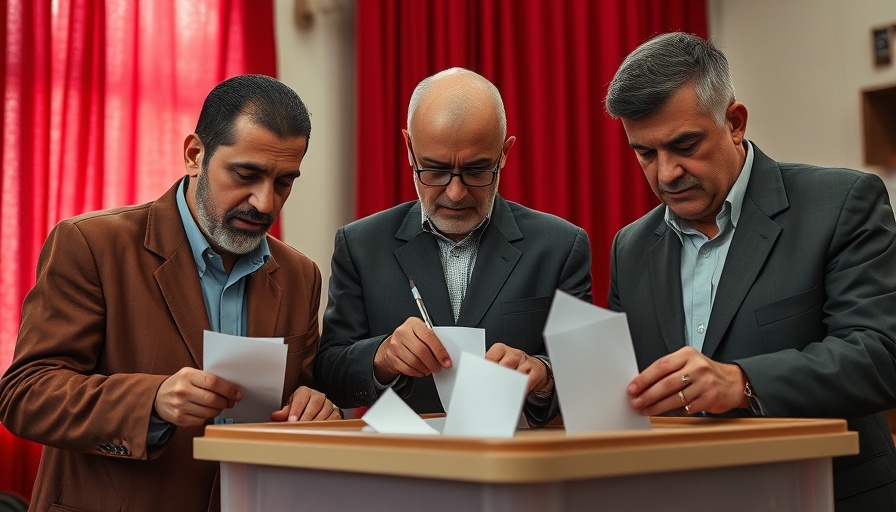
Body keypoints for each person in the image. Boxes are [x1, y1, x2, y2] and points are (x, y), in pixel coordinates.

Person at [0, 74, 339, 512]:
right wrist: (153, 400)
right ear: (195, 155)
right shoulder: (90, 245)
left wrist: (314, 407)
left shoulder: (300, 276)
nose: (266, 202)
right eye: (247, 174)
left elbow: (301, 395)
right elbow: (25, 394)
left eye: (283, 182)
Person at [605, 32, 896, 510]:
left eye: (685, 145)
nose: (666, 173)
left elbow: (880, 355)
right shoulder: (630, 247)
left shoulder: (842, 204)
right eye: (645, 153)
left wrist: (742, 382)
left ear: (735, 123)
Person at [314, 68, 592, 424]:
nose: (456, 192)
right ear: (409, 150)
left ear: (504, 153)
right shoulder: (360, 246)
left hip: (518, 469)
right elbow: (329, 373)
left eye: (477, 171)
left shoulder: (560, 247)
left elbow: (587, 378)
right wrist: (380, 357)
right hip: (402, 469)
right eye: (434, 170)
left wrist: (543, 374)